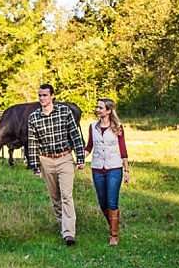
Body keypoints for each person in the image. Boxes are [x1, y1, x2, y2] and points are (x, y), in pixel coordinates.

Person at [27, 84, 86, 246]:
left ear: (52, 96)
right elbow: (33, 144)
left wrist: (80, 158)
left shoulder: (64, 112)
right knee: (55, 197)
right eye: (40, 95)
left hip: (65, 157)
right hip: (46, 159)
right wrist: (35, 166)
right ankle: (63, 226)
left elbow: (75, 135)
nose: (42, 98)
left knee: (67, 195)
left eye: (45, 95)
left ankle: (69, 233)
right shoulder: (33, 118)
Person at [86, 98, 130, 245]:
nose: (97, 110)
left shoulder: (118, 127)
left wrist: (127, 170)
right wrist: (79, 157)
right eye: (97, 107)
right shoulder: (92, 127)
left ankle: (114, 236)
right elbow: (89, 147)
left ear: (109, 111)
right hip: (97, 168)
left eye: (101, 108)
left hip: (114, 168)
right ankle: (112, 225)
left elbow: (122, 149)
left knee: (112, 202)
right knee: (102, 203)